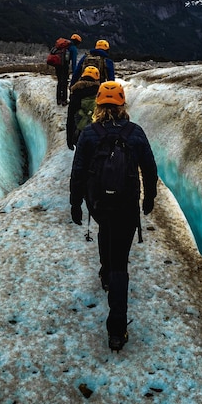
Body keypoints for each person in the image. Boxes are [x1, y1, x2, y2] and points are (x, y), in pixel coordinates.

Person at [69, 81, 158, 352]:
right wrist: (149, 197)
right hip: (126, 204)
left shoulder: (89, 133)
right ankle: (117, 330)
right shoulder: (135, 132)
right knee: (121, 259)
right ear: (122, 104)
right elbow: (150, 169)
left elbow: (79, 171)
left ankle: (105, 272)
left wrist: (76, 203)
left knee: (104, 231)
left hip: (98, 203)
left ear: (98, 104)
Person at [66, 66, 100, 150]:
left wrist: (69, 139)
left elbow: (70, 118)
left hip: (79, 132)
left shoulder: (76, 91)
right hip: (97, 133)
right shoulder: (100, 91)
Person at [55, 33, 82, 106]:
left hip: (58, 65)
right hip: (64, 66)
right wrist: (75, 72)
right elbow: (73, 62)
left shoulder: (64, 46)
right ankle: (64, 100)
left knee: (59, 81)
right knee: (64, 82)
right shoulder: (73, 48)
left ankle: (58, 99)